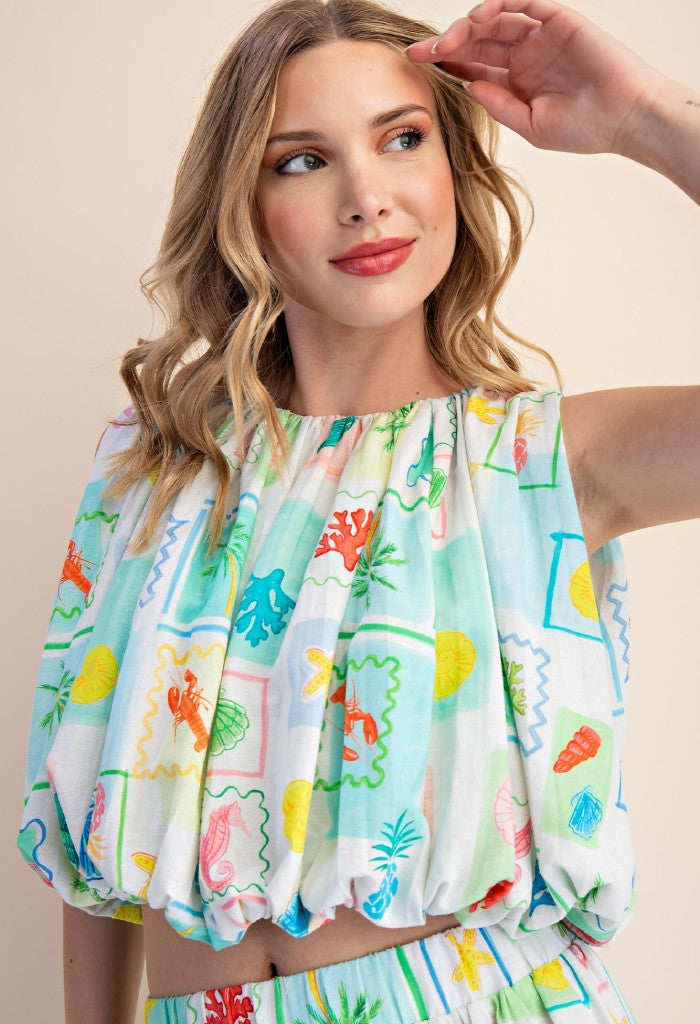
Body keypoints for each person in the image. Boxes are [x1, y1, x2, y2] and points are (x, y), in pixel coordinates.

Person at [16, 0, 698, 1022]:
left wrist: (646, 114)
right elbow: (96, 839)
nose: (366, 198)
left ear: (455, 172)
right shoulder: (154, 462)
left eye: (403, 139)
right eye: (302, 160)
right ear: (242, 204)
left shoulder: (541, 460)